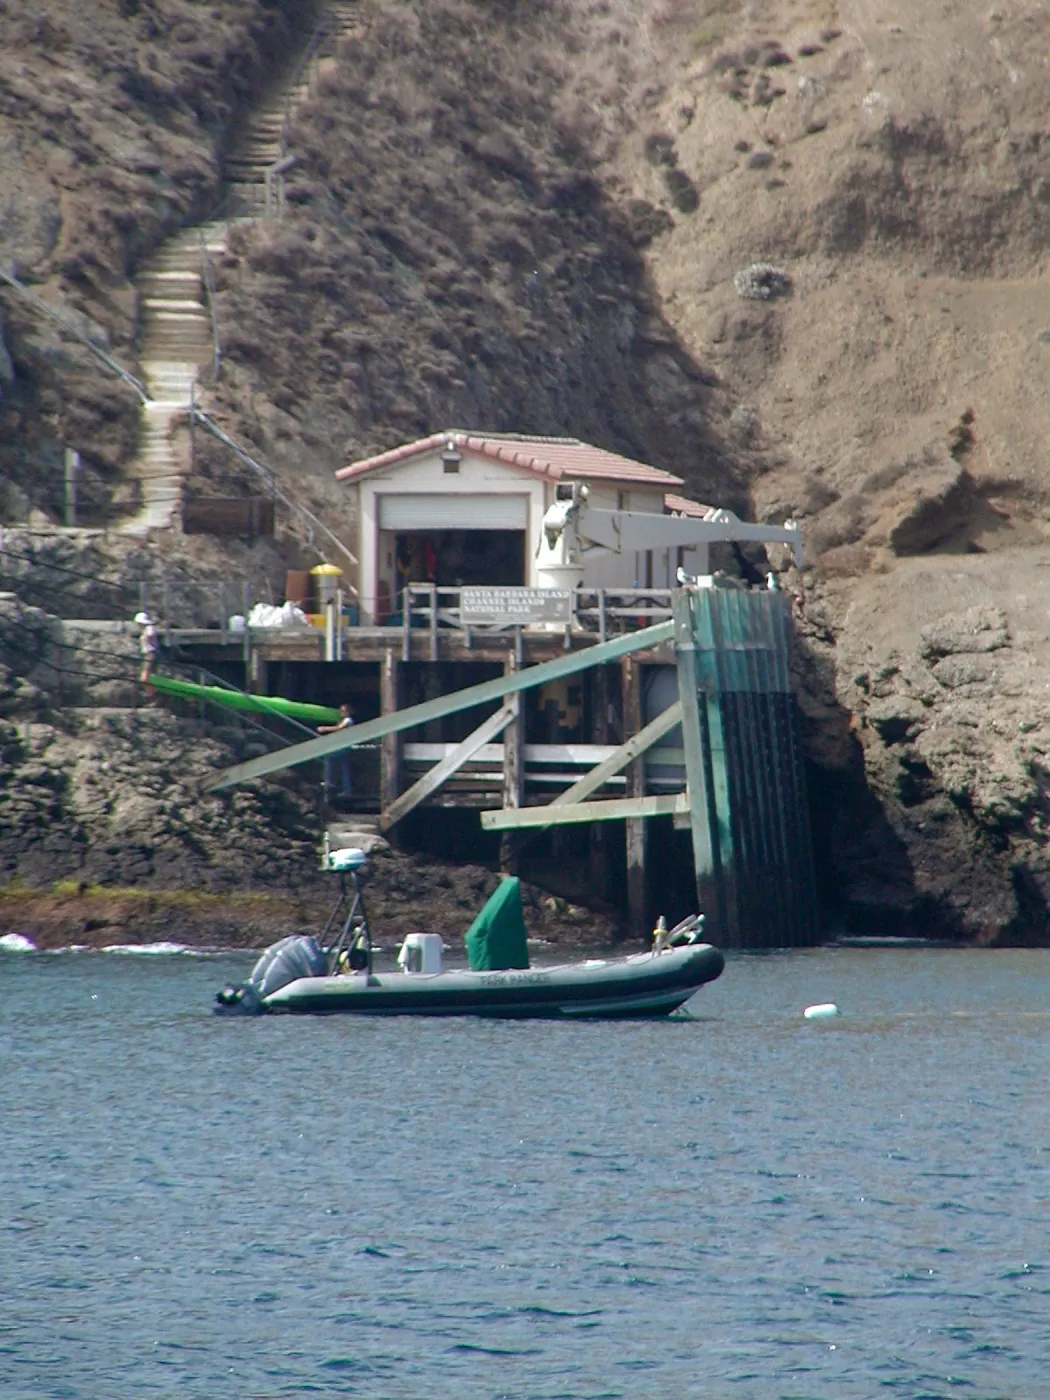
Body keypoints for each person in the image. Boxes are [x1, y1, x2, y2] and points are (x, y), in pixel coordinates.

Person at [318, 701, 354, 803]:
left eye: (343, 711)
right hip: (343, 745)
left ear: (348, 712)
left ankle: (330, 782)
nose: (341, 712)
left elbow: (339, 728)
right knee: (344, 768)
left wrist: (324, 728)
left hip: (344, 746)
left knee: (329, 758)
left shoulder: (348, 720)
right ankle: (346, 789)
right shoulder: (344, 720)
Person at [135, 611, 160, 684]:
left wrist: (146, 635)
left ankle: (150, 688)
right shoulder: (145, 629)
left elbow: (150, 634)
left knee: (145, 676)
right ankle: (152, 688)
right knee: (150, 675)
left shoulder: (149, 628)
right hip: (147, 654)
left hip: (151, 653)